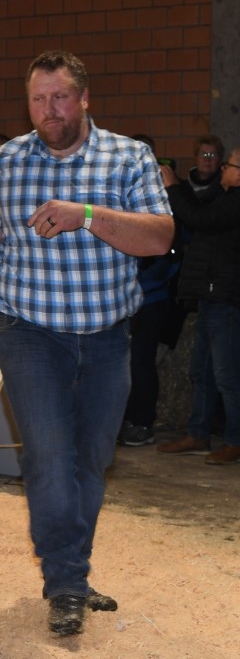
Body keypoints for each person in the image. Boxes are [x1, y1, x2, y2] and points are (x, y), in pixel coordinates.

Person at [0, 49, 173, 637]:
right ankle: (64, 582)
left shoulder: (128, 156)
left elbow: (159, 238)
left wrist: (85, 214)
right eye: (37, 99)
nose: (48, 110)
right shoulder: (9, 159)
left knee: (92, 459)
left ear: (84, 98)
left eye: (59, 97)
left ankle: (74, 573)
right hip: (28, 331)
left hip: (108, 336)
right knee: (50, 458)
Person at [156, 145, 240, 465]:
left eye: (229, 166)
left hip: (225, 297)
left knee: (227, 375)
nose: (223, 169)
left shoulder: (235, 202)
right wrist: (179, 185)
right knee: (201, 371)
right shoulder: (223, 196)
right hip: (210, 295)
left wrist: (173, 187)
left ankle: (235, 440)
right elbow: (198, 207)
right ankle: (198, 433)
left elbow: (198, 218)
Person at [118, 135, 184, 447]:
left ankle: (142, 423)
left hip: (149, 299)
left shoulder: (164, 199)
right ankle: (119, 420)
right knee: (118, 363)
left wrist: (139, 285)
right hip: (119, 299)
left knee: (140, 362)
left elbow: (171, 256)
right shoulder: (121, 193)